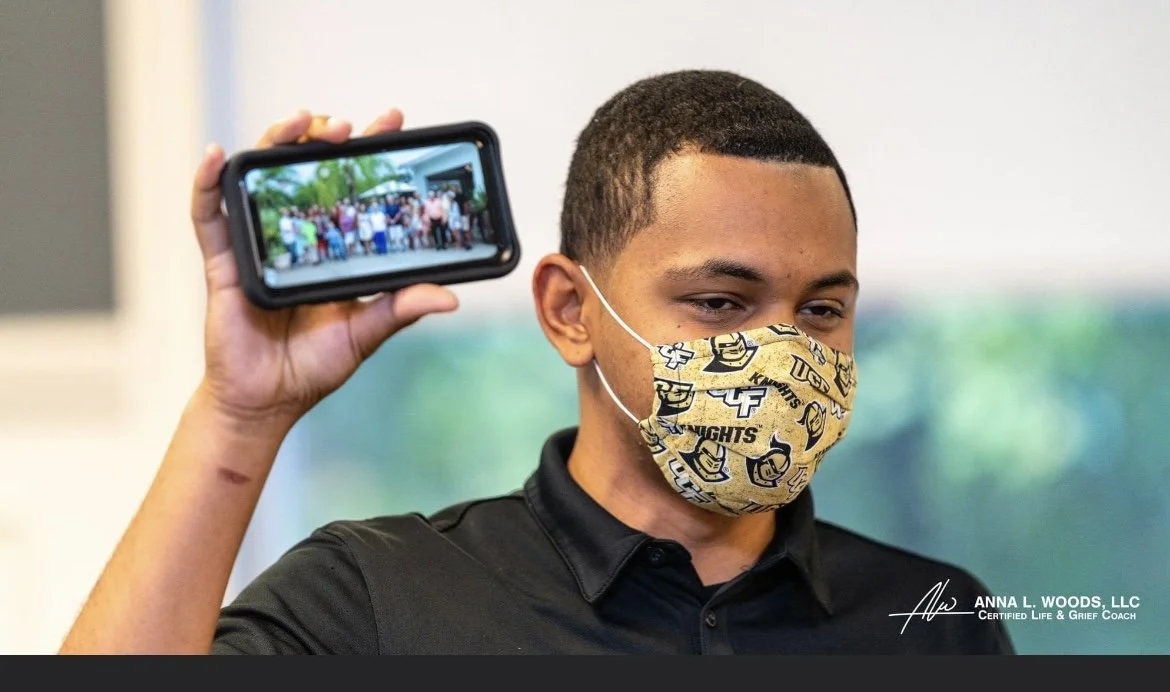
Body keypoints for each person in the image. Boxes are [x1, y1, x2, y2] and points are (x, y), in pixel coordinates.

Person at [59, 72, 1015, 655]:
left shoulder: (935, 619)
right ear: (570, 310)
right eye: (721, 303)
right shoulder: (377, 600)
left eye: (823, 310)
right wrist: (239, 417)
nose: (782, 352)